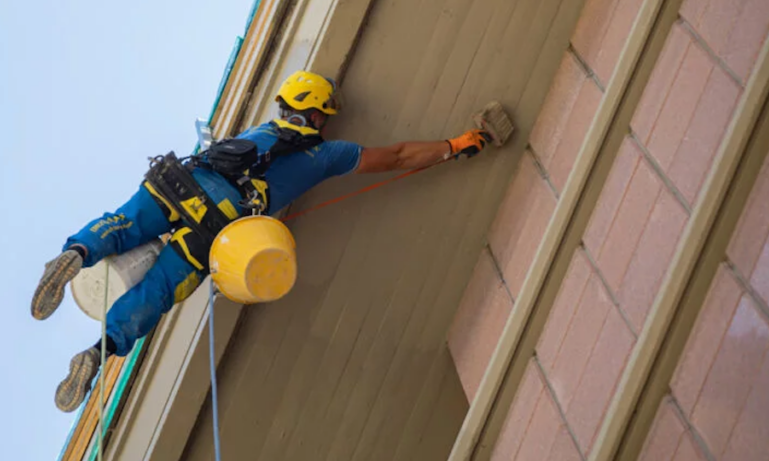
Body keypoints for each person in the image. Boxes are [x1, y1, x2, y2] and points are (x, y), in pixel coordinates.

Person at [32, 70, 513, 412]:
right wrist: (454, 145)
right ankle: (99, 352)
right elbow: (398, 156)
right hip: (217, 227)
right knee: (156, 295)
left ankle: (74, 254)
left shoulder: (256, 130)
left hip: (179, 183)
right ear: (320, 114)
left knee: (123, 224)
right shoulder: (327, 154)